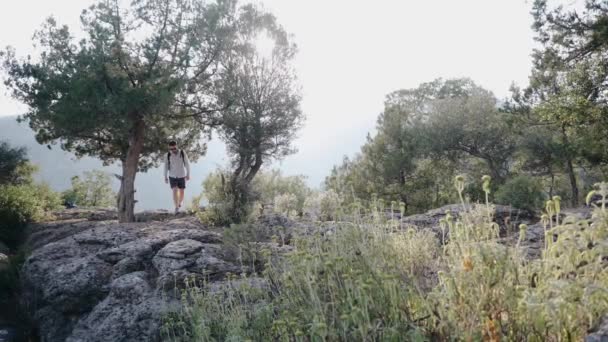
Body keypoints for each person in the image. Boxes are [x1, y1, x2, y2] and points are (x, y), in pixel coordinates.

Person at [163, 141, 191, 214]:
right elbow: (165, 166)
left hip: (182, 175)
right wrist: (165, 176)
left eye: (174, 148)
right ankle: (176, 207)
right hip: (172, 176)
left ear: (176, 146)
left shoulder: (182, 153)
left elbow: (187, 164)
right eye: (171, 149)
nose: (173, 150)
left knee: (182, 191)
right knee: (175, 190)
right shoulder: (168, 155)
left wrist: (188, 174)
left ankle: (180, 203)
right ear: (169, 148)